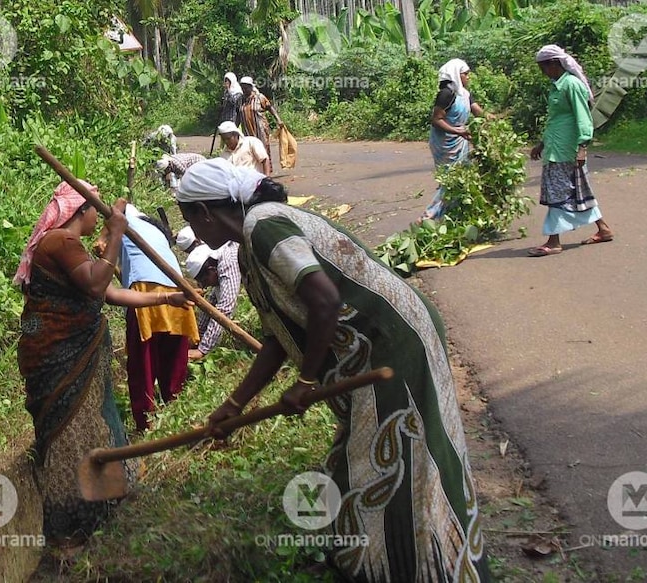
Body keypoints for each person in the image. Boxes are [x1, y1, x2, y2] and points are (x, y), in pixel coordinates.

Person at [176, 158, 491, 581]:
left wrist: (305, 382)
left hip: (392, 346)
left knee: (400, 459)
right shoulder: (251, 250)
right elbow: (278, 338)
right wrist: (234, 405)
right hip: (373, 351)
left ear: (205, 212)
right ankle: (379, 562)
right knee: (368, 458)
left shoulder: (263, 227)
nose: (193, 232)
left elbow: (323, 300)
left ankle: (424, 566)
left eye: (188, 218)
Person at [13, 181, 190, 546]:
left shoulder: (69, 246)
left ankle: (103, 496)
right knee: (69, 433)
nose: (99, 215)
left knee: (89, 425)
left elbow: (111, 292)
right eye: (95, 209)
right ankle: (71, 520)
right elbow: (97, 285)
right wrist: (117, 234)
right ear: (82, 211)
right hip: (56, 353)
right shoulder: (60, 242)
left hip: (73, 350)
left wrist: (167, 298)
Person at [107, 204, 199, 432]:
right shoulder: (153, 229)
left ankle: (145, 421)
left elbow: (118, 204)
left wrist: (102, 238)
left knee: (143, 362)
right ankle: (174, 408)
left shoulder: (125, 220)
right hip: (176, 288)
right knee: (174, 357)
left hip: (146, 289)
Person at [528, 45, 614, 257]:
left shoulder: (572, 85)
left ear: (555, 64)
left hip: (566, 150)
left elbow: (583, 117)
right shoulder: (557, 85)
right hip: (555, 147)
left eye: (544, 68)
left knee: (558, 193)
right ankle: (603, 229)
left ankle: (554, 241)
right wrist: (542, 143)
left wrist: (582, 147)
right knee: (577, 191)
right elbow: (557, 120)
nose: (543, 72)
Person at [423, 59, 489, 220]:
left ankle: (451, 217)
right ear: (456, 75)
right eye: (465, 74)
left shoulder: (465, 94)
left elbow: (478, 111)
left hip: (461, 138)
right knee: (451, 180)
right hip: (445, 143)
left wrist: (494, 119)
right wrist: (456, 131)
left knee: (461, 178)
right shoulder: (447, 93)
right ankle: (428, 217)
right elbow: (436, 119)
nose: (468, 77)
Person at [185, 242, 242, 361]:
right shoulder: (217, 267)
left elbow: (225, 308)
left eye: (205, 281)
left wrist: (202, 349)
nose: (205, 286)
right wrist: (198, 336)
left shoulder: (227, 263)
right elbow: (211, 304)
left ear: (212, 270)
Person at [238, 76, 284, 166]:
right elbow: (240, 115)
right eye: (242, 87)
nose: (244, 89)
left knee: (263, 149)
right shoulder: (241, 100)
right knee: (250, 149)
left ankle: (266, 172)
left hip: (260, 129)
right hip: (247, 130)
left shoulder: (259, 98)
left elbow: (270, 108)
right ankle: (255, 170)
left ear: (251, 87)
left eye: (246, 87)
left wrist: (278, 120)